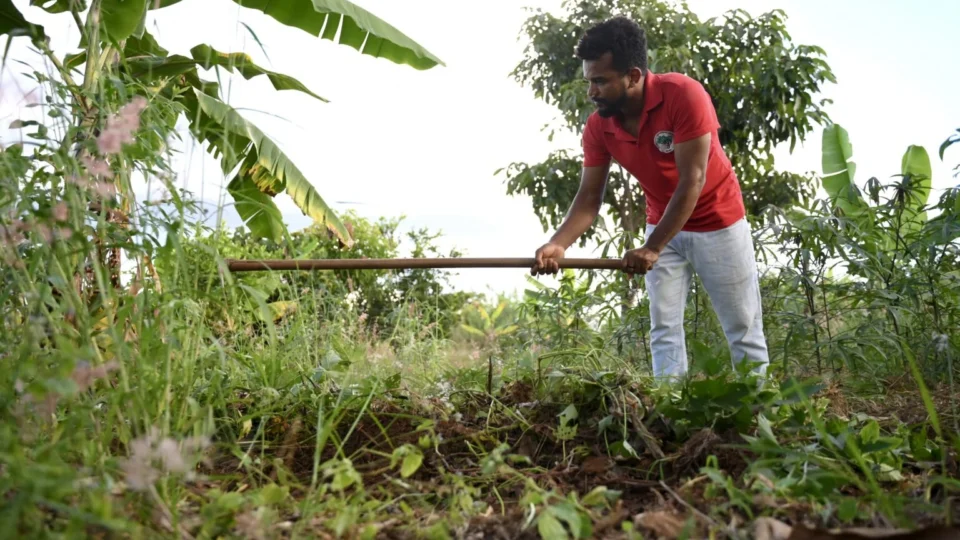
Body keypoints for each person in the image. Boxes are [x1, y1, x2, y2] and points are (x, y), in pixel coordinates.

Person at [530, 16, 769, 381]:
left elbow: (693, 180)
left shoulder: (683, 95)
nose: (591, 92)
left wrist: (652, 248)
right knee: (664, 328)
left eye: (600, 81)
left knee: (743, 328)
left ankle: (759, 414)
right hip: (662, 225)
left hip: (718, 223)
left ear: (634, 76)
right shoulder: (599, 126)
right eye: (589, 81)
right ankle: (669, 412)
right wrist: (557, 244)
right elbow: (588, 199)